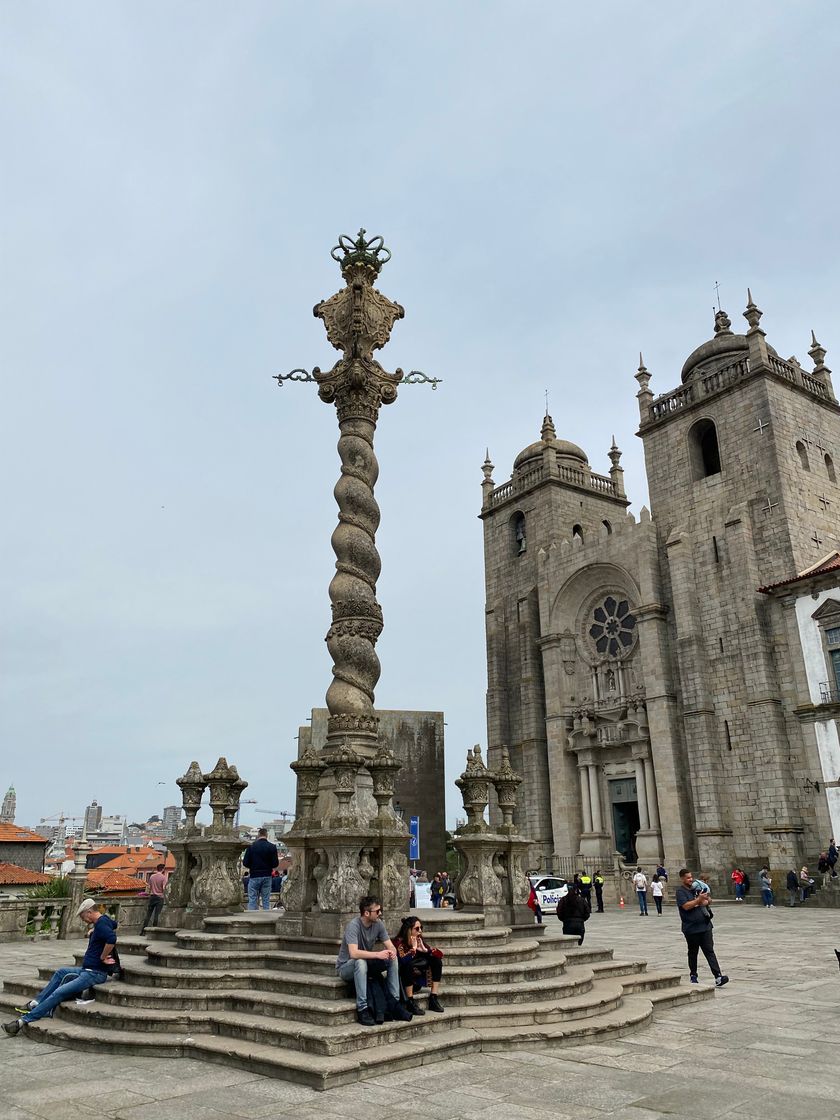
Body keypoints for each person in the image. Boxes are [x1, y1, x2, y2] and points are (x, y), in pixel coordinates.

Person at [3, 899, 119, 1036]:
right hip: (86, 970)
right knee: (61, 972)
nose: (83, 920)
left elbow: (111, 938)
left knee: (59, 992)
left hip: (94, 973)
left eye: (82, 917)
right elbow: (115, 925)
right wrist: (94, 930)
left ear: (89, 912)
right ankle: (36, 1002)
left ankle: (22, 1022)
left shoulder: (101, 924)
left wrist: (102, 957)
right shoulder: (102, 921)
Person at [336, 896, 412, 1027]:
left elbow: (391, 946)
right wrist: (378, 954)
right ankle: (362, 1008)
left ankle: (394, 1003)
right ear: (366, 913)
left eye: (380, 910)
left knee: (392, 959)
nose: (380, 913)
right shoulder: (353, 926)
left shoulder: (378, 924)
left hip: (368, 963)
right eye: (377, 911)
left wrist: (391, 952)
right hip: (346, 967)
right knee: (360, 961)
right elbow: (353, 953)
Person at [675, 868, 729, 988]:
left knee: (709, 951)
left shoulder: (697, 888)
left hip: (705, 925)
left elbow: (708, 900)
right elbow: (686, 906)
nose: (690, 879)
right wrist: (698, 901)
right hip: (691, 928)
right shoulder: (680, 892)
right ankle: (693, 975)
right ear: (682, 878)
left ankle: (718, 976)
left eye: (691, 877)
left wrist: (706, 900)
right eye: (688, 878)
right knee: (693, 952)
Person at [392, 915, 445, 1014]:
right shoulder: (399, 942)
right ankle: (410, 1001)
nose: (420, 931)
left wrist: (425, 950)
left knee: (436, 960)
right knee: (408, 965)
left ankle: (433, 997)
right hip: (403, 982)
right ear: (409, 930)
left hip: (416, 982)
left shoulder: (418, 940)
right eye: (417, 928)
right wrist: (414, 949)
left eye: (421, 928)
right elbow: (403, 961)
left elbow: (440, 955)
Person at [242, 828, 279, 911]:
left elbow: (245, 863)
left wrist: (253, 866)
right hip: (267, 875)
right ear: (267, 835)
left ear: (258, 835)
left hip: (254, 875)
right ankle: (266, 919)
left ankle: (252, 917)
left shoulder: (251, 847)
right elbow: (275, 864)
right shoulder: (272, 847)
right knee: (266, 900)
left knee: (252, 899)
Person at [140, 863, 168, 934]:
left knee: (148, 915)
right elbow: (164, 888)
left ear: (157, 869)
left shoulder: (152, 876)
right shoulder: (164, 877)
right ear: (163, 869)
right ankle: (153, 932)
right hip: (160, 898)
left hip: (152, 897)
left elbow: (149, 887)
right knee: (157, 915)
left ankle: (143, 931)